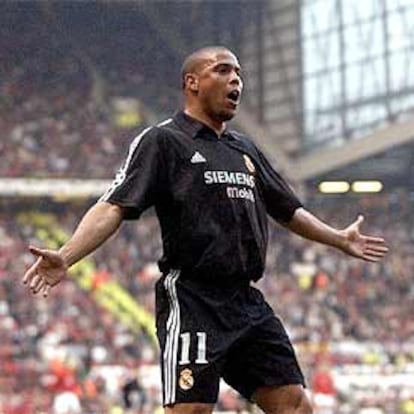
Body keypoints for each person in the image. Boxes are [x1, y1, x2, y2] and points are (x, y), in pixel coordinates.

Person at [23, 46, 388, 414]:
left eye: (239, 74)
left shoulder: (244, 148)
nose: (236, 81)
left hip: (246, 302)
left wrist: (337, 238)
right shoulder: (164, 141)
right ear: (192, 82)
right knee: (192, 410)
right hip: (194, 298)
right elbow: (114, 205)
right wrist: (67, 255)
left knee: (295, 405)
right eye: (223, 70)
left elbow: (288, 210)